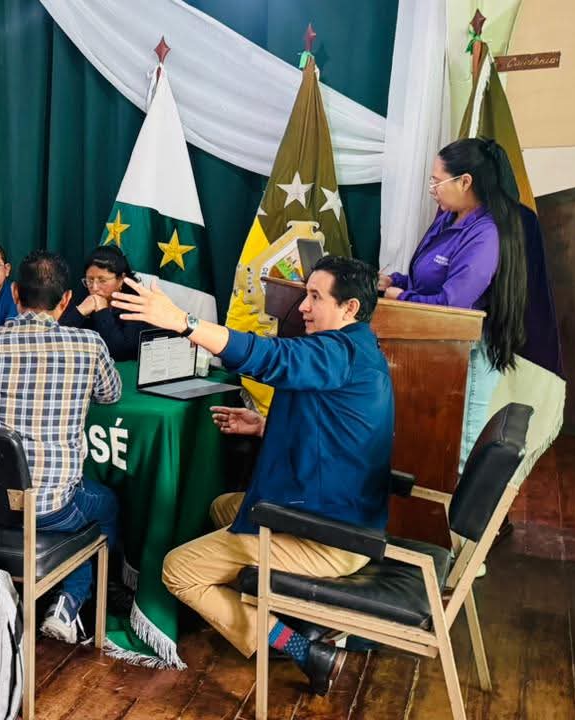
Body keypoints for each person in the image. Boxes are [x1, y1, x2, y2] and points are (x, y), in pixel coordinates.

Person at [113, 256, 392, 696]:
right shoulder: (360, 350)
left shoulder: (338, 351)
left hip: (329, 535)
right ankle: (276, 609)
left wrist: (184, 322)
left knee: (178, 570)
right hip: (344, 514)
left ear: (350, 308)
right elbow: (336, 433)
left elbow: (269, 356)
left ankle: (302, 648)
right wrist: (265, 427)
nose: (303, 306)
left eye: (315, 297)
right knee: (222, 506)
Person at [0, 250, 122, 643]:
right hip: (53, 509)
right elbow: (111, 393)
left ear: (15, 292)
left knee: (76, 508)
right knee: (104, 505)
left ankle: (65, 597)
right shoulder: (88, 344)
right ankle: (74, 601)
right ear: (67, 299)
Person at [379, 137, 526, 469]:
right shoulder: (449, 216)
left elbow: (452, 303)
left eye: (437, 181)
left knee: (459, 450)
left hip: (468, 352)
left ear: (465, 181)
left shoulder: (486, 233)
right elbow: (428, 276)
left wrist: (402, 298)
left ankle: (457, 504)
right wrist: (395, 282)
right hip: (436, 349)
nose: (432, 189)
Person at [58, 245, 147, 361]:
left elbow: (120, 353)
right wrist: (80, 311)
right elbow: (57, 337)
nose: (94, 288)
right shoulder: (83, 296)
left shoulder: (135, 305)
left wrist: (102, 312)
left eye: (102, 280)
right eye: (90, 280)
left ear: (121, 279)